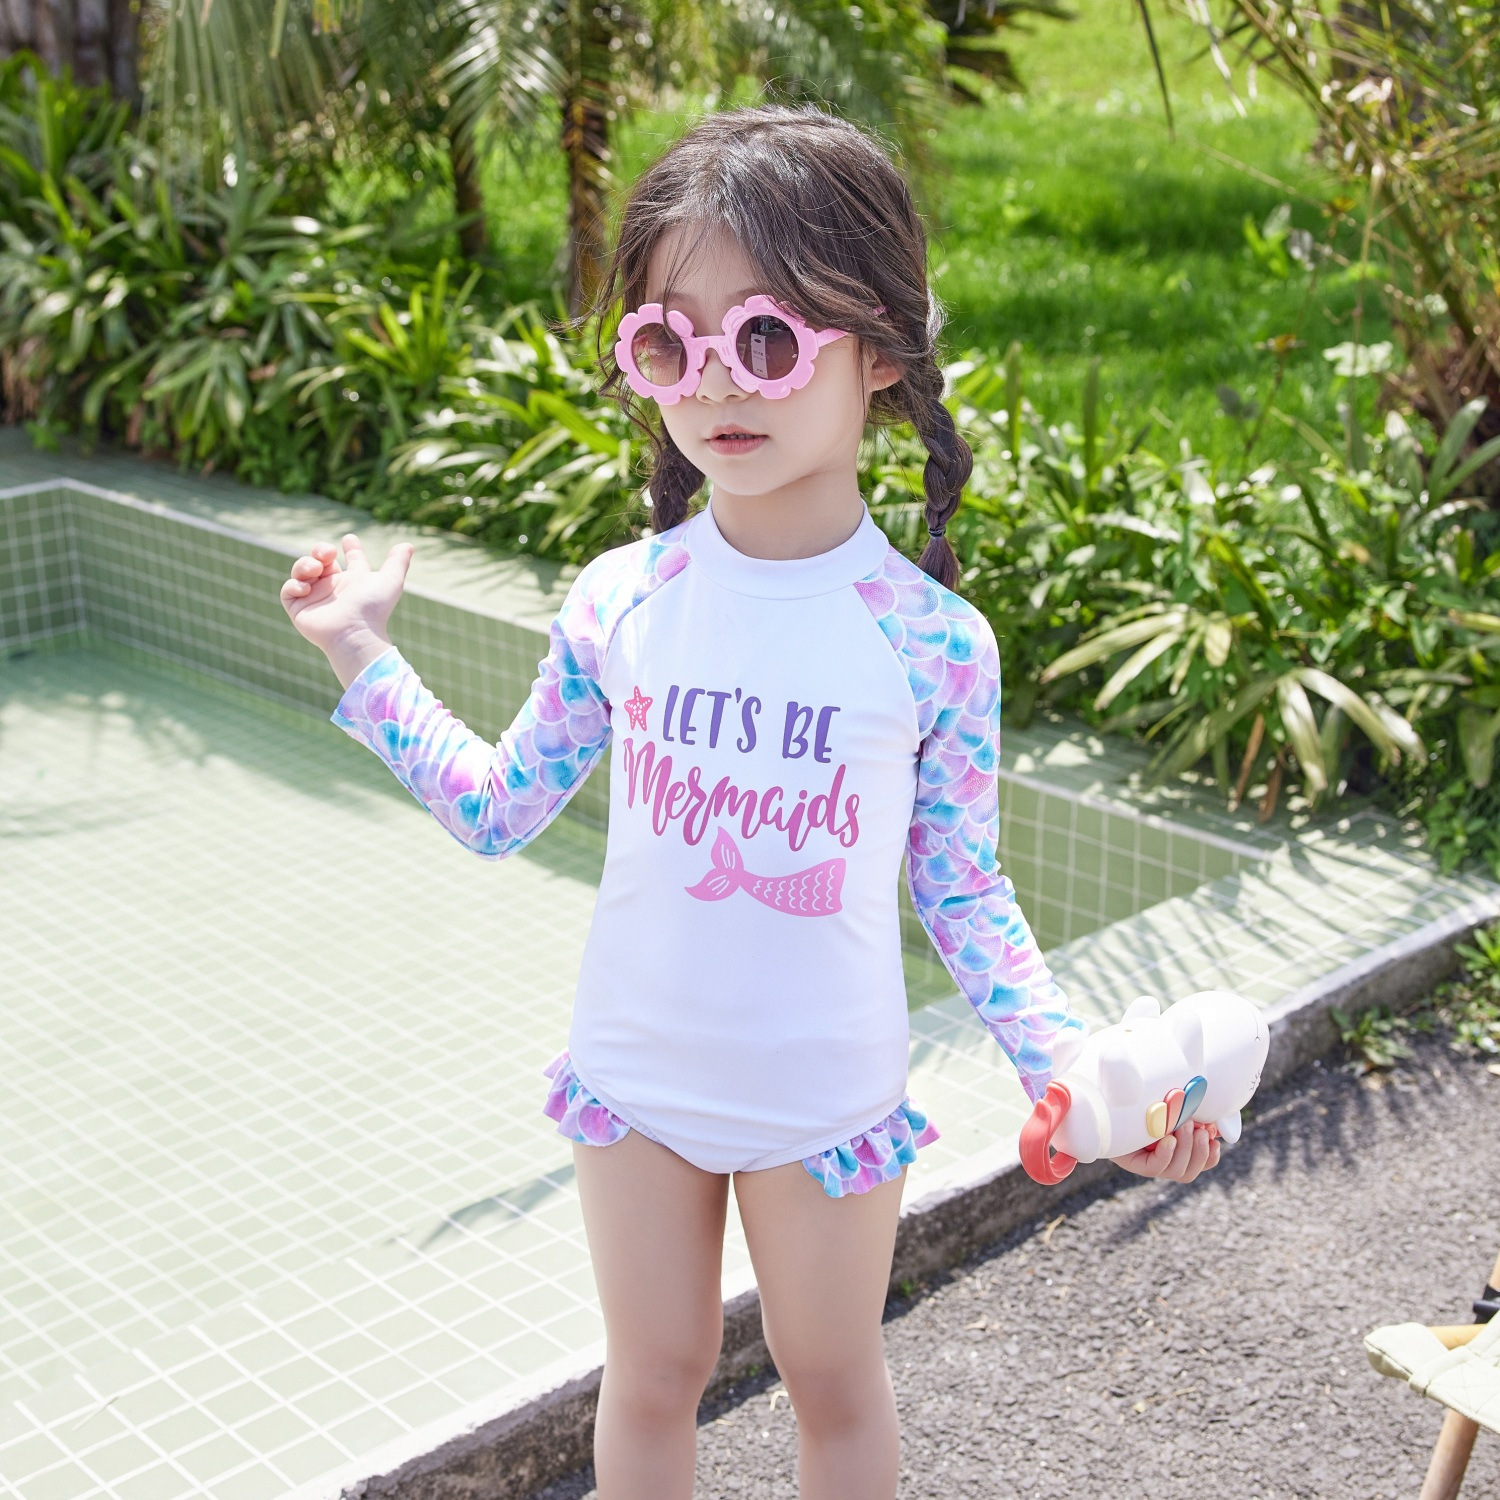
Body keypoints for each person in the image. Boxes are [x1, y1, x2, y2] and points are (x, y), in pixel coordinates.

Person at [279, 104, 1222, 1500]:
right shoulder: (624, 599)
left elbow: (963, 892)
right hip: (637, 1081)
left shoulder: (931, 643)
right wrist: (361, 651)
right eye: (670, 343)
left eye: (768, 340)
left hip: (823, 1097)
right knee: (651, 1379)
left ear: (881, 351)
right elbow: (496, 807)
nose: (718, 383)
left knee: (832, 1382)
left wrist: (1084, 1084)